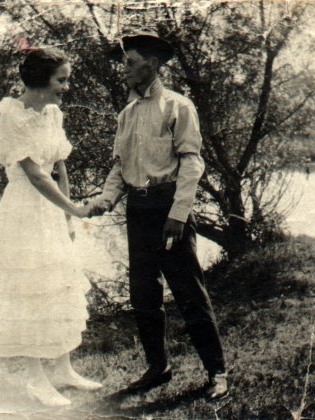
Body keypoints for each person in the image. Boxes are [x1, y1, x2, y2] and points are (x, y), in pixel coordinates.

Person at [0, 47, 102, 408]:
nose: (65, 87)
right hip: (23, 210)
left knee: (58, 282)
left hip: (51, 210)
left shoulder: (53, 113)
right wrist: (76, 209)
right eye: (61, 80)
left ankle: (63, 369)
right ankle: (37, 378)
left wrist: (68, 215)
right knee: (32, 288)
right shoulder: (11, 117)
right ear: (39, 81)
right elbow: (35, 175)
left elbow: (59, 167)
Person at [88, 31, 228, 400]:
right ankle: (158, 367)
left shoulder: (178, 106)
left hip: (170, 210)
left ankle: (217, 373)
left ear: (151, 65)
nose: (124, 69)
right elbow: (121, 167)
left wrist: (179, 214)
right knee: (143, 295)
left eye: (130, 62)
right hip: (139, 210)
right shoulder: (127, 114)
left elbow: (192, 162)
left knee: (188, 293)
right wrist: (104, 200)